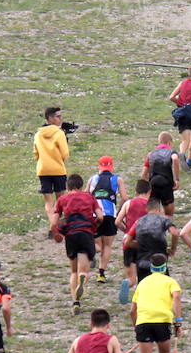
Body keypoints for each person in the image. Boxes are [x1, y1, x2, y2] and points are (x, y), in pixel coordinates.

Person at [130, 253, 182, 353]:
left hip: (143, 322)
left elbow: (133, 310)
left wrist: (136, 327)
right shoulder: (171, 282)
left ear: (151, 267)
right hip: (162, 321)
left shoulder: (142, 283)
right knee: (164, 352)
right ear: (165, 266)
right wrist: (178, 322)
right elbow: (177, 298)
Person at [53, 174, 100, 311]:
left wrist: (56, 232)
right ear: (81, 185)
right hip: (86, 233)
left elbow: (54, 221)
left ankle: (75, 302)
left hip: (71, 235)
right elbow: (100, 216)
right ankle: (82, 277)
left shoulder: (62, 199)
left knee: (73, 271)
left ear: (68, 186)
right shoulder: (89, 197)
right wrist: (95, 225)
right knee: (83, 270)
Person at [89, 157, 124, 284]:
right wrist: (119, 211)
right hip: (110, 214)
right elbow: (125, 198)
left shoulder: (93, 179)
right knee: (107, 246)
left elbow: (86, 195)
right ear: (112, 167)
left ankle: (91, 251)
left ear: (99, 167)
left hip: (95, 214)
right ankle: (101, 274)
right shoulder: (117, 179)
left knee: (97, 244)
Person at [34, 107, 71, 226]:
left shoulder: (38, 134)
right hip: (58, 170)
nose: (61, 119)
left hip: (43, 170)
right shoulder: (60, 134)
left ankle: (52, 224)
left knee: (48, 201)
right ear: (50, 118)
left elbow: (35, 154)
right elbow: (65, 153)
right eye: (58, 117)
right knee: (60, 198)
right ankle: (55, 224)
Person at [118, 180, 152, 296]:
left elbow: (117, 221)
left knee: (132, 278)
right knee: (144, 277)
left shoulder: (128, 203)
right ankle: (141, 297)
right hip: (144, 244)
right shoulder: (151, 205)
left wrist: (127, 231)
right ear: (149, 191)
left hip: (128, 241)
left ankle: (127, 283)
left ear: (136, 191)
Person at [143, 132, 182, 217]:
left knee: (152, 213)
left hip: (153, 184)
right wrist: (177, 179)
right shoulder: (171, 152)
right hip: (166, 184)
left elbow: (144, 174)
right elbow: (175, 159)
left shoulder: (150, 154)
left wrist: (146, 184)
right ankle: (167, 228)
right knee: (169, 214)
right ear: (169, 142)